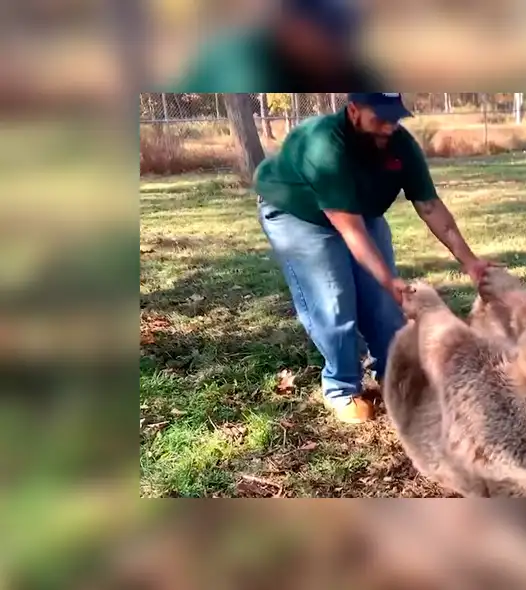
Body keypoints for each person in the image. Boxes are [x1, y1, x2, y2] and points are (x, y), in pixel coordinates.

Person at [254, 93, 493, 424]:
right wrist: (387, 278)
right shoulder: (325, 144)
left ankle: (394, 375)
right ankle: (341, 387)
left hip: (358, 210)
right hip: (299, 213)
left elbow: (429, 206)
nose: (388, 126)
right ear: (353, 111)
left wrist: (469, 261)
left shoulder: (400, 143)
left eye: (394, 117)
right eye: (379, 117)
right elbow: (350, 231)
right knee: (333, 299)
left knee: (383, 305)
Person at [172, 0, 379, 91]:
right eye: (326, 33)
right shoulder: (243, 69)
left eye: (341, 32)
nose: (334, 47)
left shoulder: (355, 72)